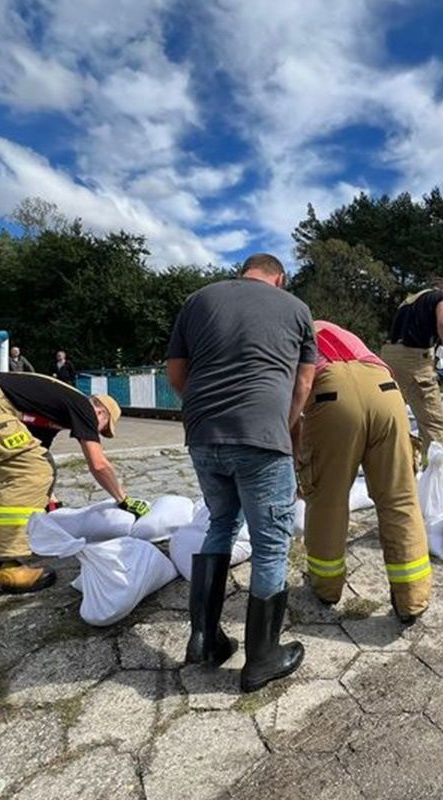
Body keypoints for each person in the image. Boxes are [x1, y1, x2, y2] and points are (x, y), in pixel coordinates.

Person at [166, 253, 316, 693]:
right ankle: (262, 660)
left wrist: (206, 410)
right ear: (279, 278)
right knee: (271, 545)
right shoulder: (296, 310)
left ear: (244, 272)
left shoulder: (197, 300)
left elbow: (178, 374)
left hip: (203, 435)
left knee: (221, 523)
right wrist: (279, 423)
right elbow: (303, 385)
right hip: (261, 438)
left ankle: (205, 640)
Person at [0, 369, 149, 594]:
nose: (97, 432)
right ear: (100, 412)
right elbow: (98, 464)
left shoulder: (52, 410)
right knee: (35, 470)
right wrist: (123, 499)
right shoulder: (82, 405)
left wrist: (50, 503)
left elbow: (30, 452)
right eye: (103, 428)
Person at [297, 320, 432, 624]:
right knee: (400, 498)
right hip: (385, 390)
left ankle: (326, 587)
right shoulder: (337, 329)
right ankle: (413, 597)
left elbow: (295, 395)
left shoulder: (289, 336)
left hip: (330, 394)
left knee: (327, 500)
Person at [381, 277, 443, 457]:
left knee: (393, 415)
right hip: (414, 360)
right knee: (432, 421)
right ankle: (438, 475)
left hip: (388, 357)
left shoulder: (408, 302)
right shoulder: (441, 298)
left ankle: (396, 463)